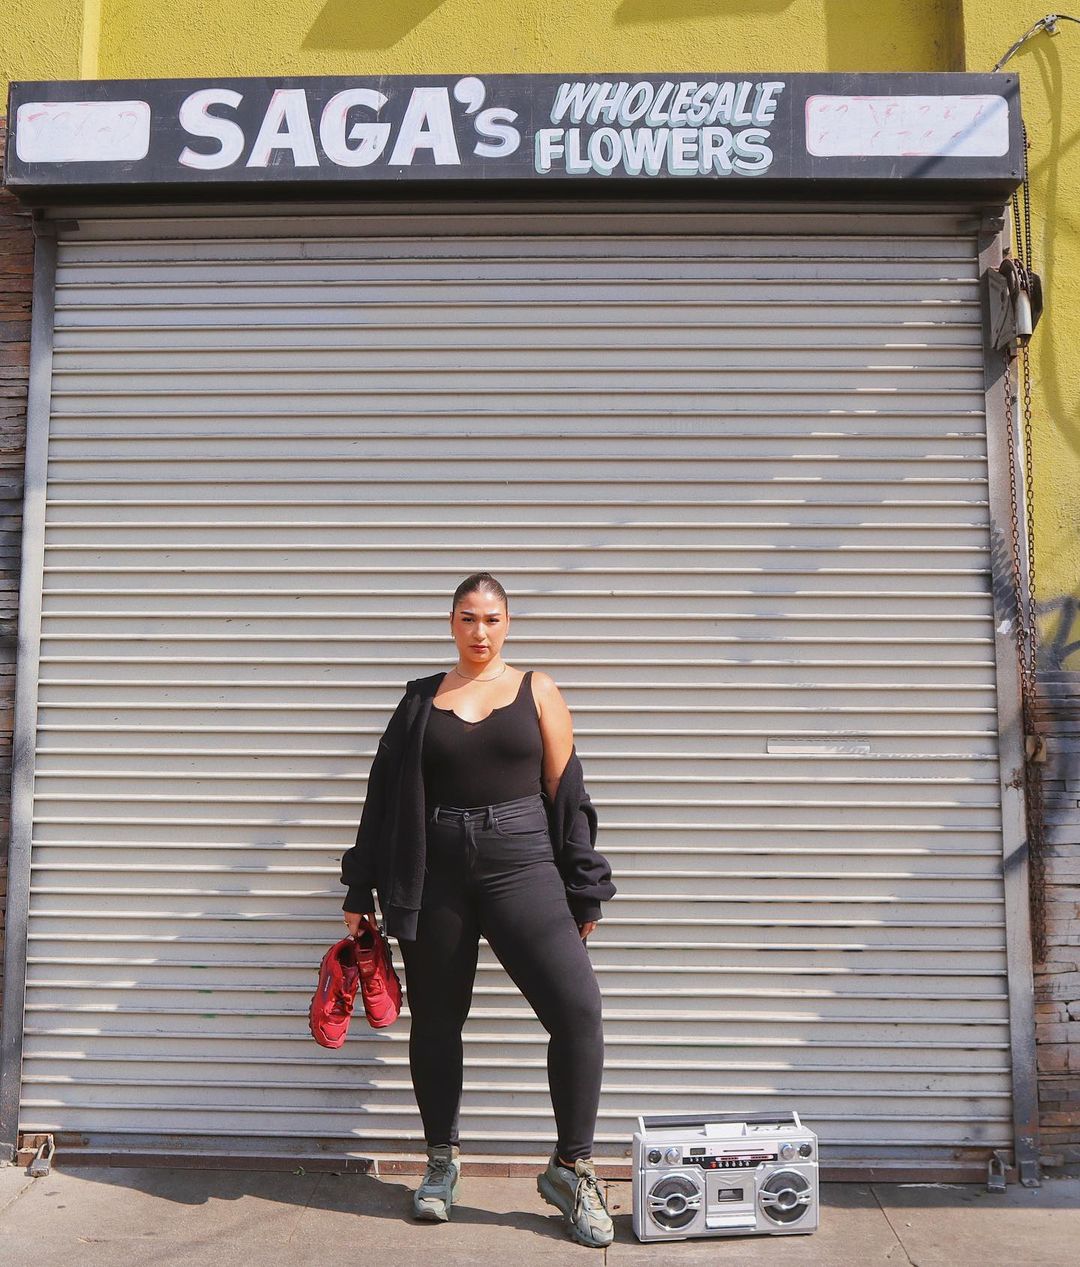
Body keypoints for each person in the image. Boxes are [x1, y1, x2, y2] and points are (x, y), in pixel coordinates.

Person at [340, 571, 617, 1248]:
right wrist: (358, 886)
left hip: (522, 862)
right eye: (468, 618)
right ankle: (440, 1164)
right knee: (437, 1022)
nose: (480, 631)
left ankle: (571, 1168)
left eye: (492, 619)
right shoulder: (419, 700)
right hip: (435, 872)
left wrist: (584, 886)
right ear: (451, 624)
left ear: (508, 623)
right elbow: (382, 797)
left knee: (577, 1010)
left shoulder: (537, 691)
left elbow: (568, 793)